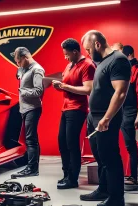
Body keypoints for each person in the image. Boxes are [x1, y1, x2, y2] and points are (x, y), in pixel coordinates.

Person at [80, 30, 131, 206]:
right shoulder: (102, 62)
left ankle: (116, 198)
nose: (87, 53)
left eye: (87, 49)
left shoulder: (118, 60)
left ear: (97, 44)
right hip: (94, 116)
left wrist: (107, 118)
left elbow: (121, 92)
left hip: (106, 117)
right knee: (100, 156)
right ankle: (103, 189)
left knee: (110, 157)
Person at [52, 38, 96, 189]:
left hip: (77, 108)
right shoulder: (70, 65)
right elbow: (68, 85)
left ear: (75, 52)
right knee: (62, 142)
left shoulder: (87, 65)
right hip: (66, 108)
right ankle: (66, 175)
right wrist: (61, 87)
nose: (65, 57)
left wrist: (64, 85)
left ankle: (72, 179)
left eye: (67, 54)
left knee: (71, 143)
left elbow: (88, 90)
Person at [112, 44, 138, 186]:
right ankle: (131, 175)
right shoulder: (125, 70)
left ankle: (134, 177)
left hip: (132, 112)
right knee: (128, 145)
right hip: (123, 111)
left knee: (131, 145)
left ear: (129, 55)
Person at [10, 46, 45, 179]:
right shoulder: (24, 69)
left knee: (30, 139)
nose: (17, 64)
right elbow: (19, 73)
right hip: (25, 108)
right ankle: (32, 167)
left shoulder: (37, 70)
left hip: (33, 108)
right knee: (30, 138)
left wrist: (23, 92)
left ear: (25, 58)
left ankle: (32, 169)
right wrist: (20, 70)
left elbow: (38, 91)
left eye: (18, 61)